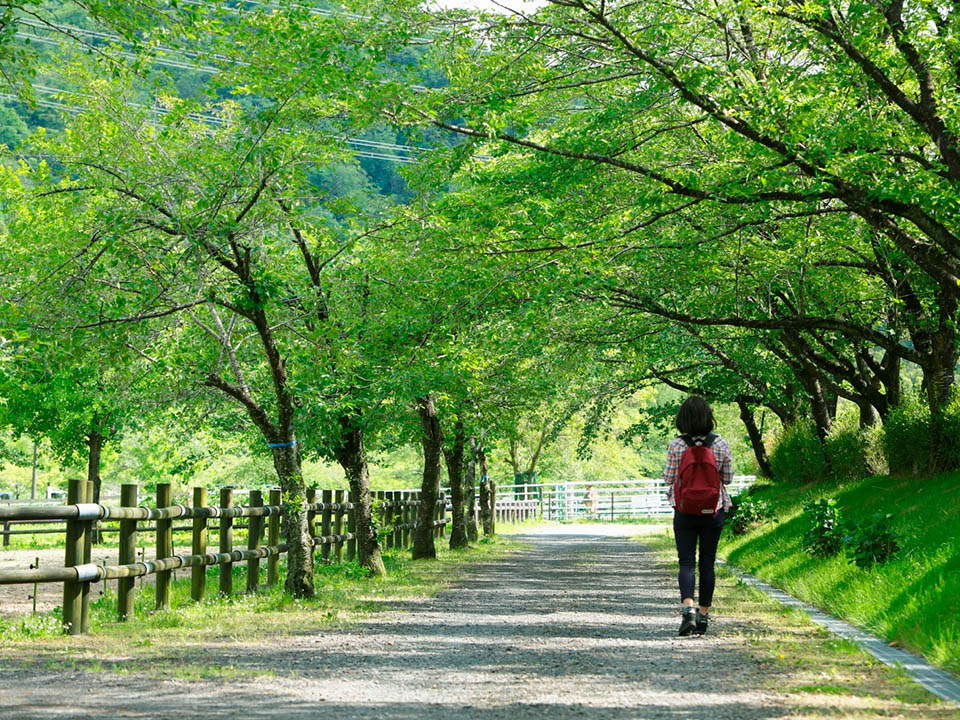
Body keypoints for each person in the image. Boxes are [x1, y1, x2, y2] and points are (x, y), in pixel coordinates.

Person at [662, 395, 733, 636]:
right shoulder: (720, 444)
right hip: (713, 510)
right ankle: (703, 616)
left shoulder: (677, 445)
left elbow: (669, 478)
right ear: (708, 417)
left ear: (682, 419)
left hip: (684, 510)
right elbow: (727, 479)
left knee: (686, 561)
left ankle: (688, 611)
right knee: (707, 562)